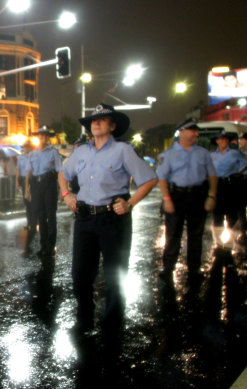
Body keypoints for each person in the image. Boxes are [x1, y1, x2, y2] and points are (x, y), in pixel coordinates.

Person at [59, 103, 158, 334]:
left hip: (113, 219)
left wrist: (130, 203)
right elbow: (63, 174)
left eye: (102, 120)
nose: (96, 123)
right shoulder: (81, 151)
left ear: (112, 126)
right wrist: (66, 195)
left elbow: (149, 179)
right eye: (93, 120)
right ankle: (85, 320)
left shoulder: (123, 150)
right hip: (84, 219)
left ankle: (112, 324)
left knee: (115, 274)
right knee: (80, 275)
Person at [156, 119, 217, 286]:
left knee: (196, 236)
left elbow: (212, 176)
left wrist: (211, 196)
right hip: (176, 197)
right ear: (182, 132)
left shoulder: (203, 153)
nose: (196, 133)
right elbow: (162, 178)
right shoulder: (168, 154)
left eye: (196, 131)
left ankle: (194, 269)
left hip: (198, 196)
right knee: (173, 235)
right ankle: (168, 268)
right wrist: (167, 199)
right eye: (192, 130)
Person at [25, 126, 63, 257]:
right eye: (41, 135)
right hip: (36, 185)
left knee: (51, 216)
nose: (43, 137)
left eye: (46, 135)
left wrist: (63, 190)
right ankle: (43, 245)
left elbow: (60, 172)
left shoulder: (54, 153)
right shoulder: (32, 153)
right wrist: (27, 190)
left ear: (48, 138)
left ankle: (51, 245)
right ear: (38, 137)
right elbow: (29, 172)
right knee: (40, 216)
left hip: (49, 184)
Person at [210, 130, 247, 242]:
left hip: (231, 185)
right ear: (217, 141)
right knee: (217, 215)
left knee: (231, 214)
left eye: (226, 139)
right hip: (217, 186)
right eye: (221, 139)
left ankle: (230, 241)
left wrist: (238, 172)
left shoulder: (234, 153)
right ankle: (219, 242)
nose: (224, 141)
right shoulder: (212, 156)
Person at [16, 140, 36, 232]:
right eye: (25, 147)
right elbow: (18, 170)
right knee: (27, 202)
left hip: (33, 180)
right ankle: (29, 222)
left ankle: (34, 222)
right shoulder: (20, 158)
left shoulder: (35, 156)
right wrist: (17, 181)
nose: (26, 148)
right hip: (24, 180)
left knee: (33, 202)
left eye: (28, 146)